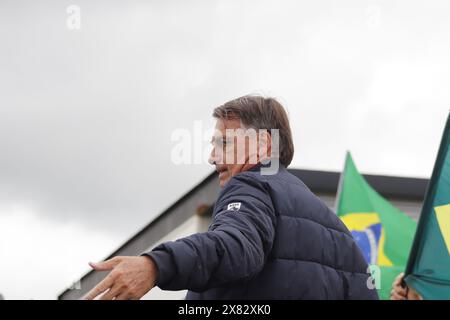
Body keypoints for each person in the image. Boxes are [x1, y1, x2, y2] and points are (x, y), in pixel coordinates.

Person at [83, 95, 378, 300]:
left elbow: (234, 246)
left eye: (223, 143)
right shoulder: (336, 230)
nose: (212, 157)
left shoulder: (250, 186)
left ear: (263, 143)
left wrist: (155, 266)